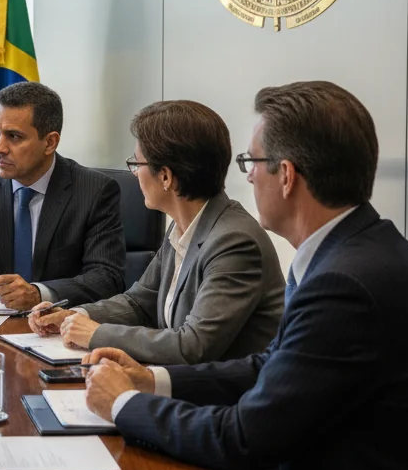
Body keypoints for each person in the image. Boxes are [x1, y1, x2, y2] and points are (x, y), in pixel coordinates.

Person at [81, 82, 408, 470]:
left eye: (252, 163)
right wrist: (152, 379)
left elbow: (245, 437)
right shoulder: (357, 251)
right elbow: (268, 365)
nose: (247, 176)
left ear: (286, 175)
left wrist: (125, 404)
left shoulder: (344, 282)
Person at [29, 100, 283, 364]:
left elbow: (192, 346)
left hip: (225, 399)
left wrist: (96, 334)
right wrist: (76, 315)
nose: (136, 173)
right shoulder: (184, 225)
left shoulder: (234, 242)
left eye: (137, 163)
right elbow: (139, 303)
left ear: (165, 177)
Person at [0, 82, 125, 311]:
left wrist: (39, 293)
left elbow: (107, 277)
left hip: (60, 326)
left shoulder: (94, 191)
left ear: (50, 142)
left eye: (14, 137)